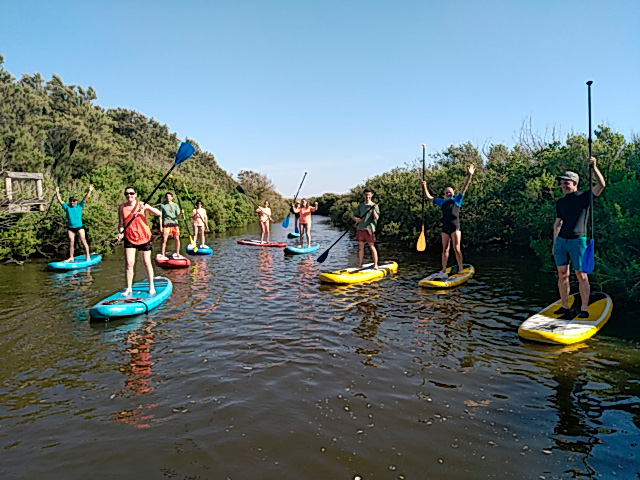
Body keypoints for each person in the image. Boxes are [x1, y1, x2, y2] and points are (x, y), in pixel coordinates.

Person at [552, 156, 605, 317]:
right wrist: (555, 243)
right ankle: (564, 306)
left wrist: (594, 167)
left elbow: (601, 185)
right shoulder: (560, 202)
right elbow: (557, 223)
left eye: (566, 182)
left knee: (581, 275)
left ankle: (584, 308)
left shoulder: (584, 198)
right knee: (562, 274)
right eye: (562, 183)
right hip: (562, 240)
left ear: (574, 183)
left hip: (578, 240)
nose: (563, 185)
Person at [421, 164, 475, 278]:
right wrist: (424, 186)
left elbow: (464, 187)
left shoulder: (457, 200)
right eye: (447, 192)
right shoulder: (442, 202)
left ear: (453, 193)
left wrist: (469, 175)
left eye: (450, 192)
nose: (448, 193)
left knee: (457, 248)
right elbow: (429, 197)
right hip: (445, 228)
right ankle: (443, 270)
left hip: (455, 227)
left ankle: (460, 269)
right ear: (444, 194)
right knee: (445, 249)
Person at [115, 187, 162, 296]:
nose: (129, 195)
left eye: (131, 193)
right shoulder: (122, 207)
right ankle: (129, 288)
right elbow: (121, 224)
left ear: (135, 194)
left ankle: (151, 286)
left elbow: (158, 213)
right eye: (127, 193)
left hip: (144, 236)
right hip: (129, 237)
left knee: (146, 262)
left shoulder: (142, 205)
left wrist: (147, 207)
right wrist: (121, 233)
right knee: (129, 263)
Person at [56, 184, 94, 262]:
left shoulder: (79, 206)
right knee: (71, 243)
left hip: (79, 227)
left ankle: (88, 257)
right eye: (71, 201)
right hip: (71, 228)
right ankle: (71, 257)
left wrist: (89, 190)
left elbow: (85, 198)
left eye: (74, 201)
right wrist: (57, 192)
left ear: (76, 201)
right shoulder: (67, 207)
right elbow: (60, 200)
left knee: (83, 241)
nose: (72, 202)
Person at [352, 188, 380, 269]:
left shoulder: (374, 206)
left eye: (369, 195)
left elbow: (376, 218)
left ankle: (375, 265)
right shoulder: (361, 206)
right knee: (360, 247)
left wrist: (374, 210)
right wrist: (356, 219)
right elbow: (354, 215)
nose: (367, 196)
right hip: (360, 228)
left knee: (371, 246)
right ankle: (360, 265)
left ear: (371, 195)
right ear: (364, 195)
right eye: (366, 195)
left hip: (369, 229)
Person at [159, 192, 183, 258]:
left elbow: (178, 216)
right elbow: (160, 216)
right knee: (164, 239)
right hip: (166, 223)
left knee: (177, 239)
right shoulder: (162, 205)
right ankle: (163, 254)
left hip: (174, 223)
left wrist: (181, 213)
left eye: (169, 196)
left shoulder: (175, 205)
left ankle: (178, 253)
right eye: (167, 196)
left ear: (172, 198)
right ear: (165, 197)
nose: (168, 198)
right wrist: (160, 226)